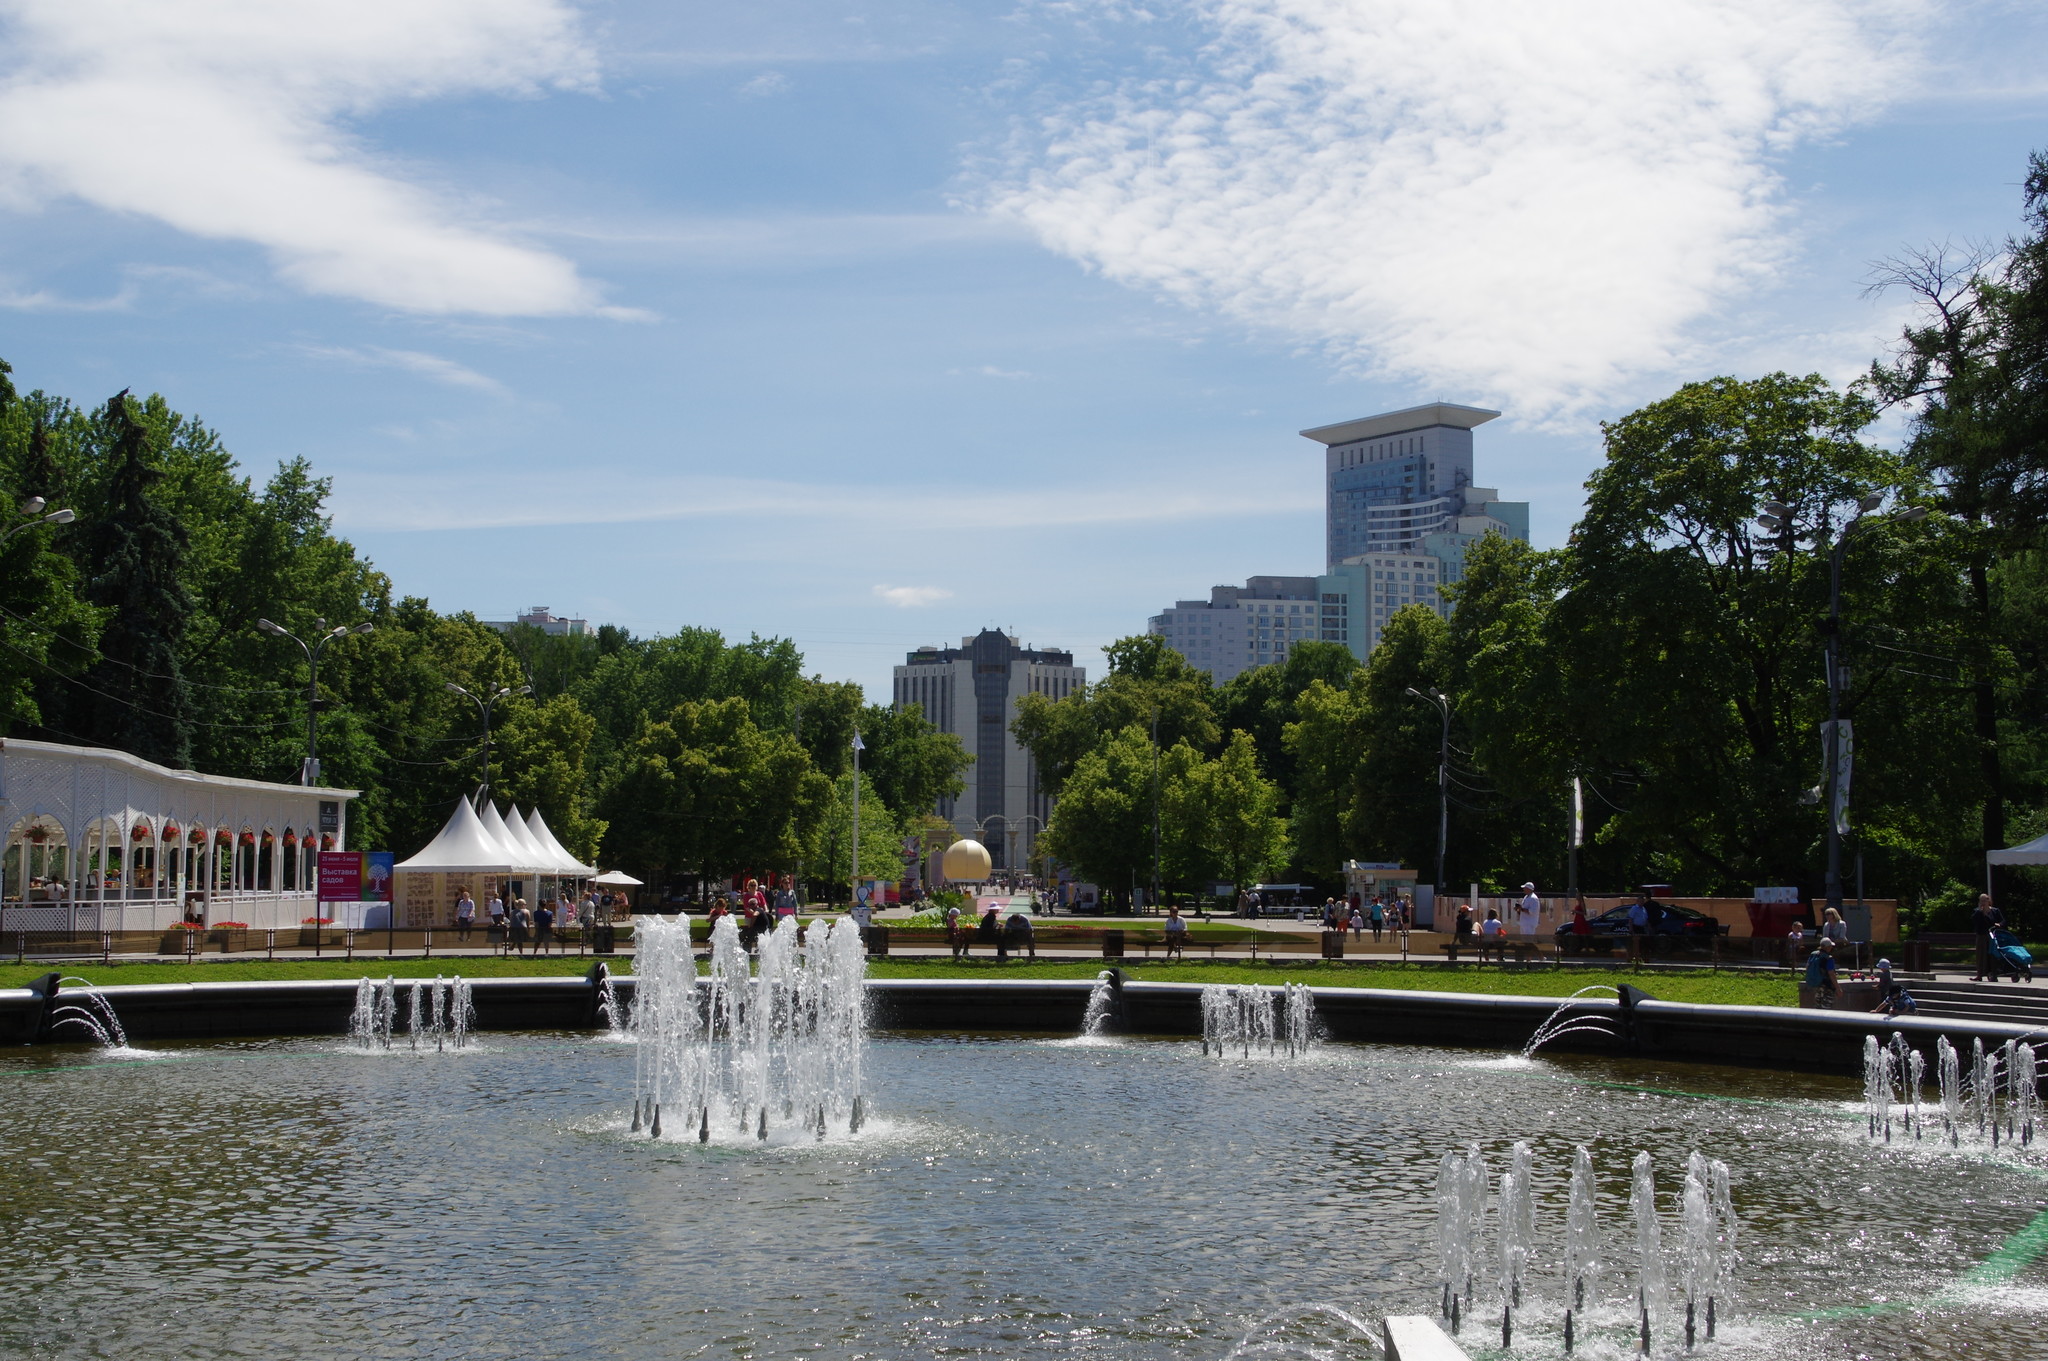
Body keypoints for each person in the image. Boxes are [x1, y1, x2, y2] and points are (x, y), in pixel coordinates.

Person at [1971, 892, 2005, 982]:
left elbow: (2002, 921)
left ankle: (1993, 974)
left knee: (1992, 955)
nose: (1983, 902)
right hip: (1981, 935)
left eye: (1984, 900)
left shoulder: (1995, 911)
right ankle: (1979, 975)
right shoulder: (1977, 911)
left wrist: (1999, 924)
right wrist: (1980, 911)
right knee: (1980, 956)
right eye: (1981, 901)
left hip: (1992, 936)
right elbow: (1974, 921)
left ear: (1988, 900)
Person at [1804, 936, 1839, 1006]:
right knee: (1827, 1006)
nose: (1831, 948)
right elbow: (1831, 973)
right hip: (1827, 985)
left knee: (1818, 1005)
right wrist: (1838, 988)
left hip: (1816, 984)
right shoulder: (1828, 958)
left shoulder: (1813, 954)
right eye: (1830, 946)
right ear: (1827, 947)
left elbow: (1807, 967)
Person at [1626, 891, 1651, 961]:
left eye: (1643, 901)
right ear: (1637, 901)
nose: (1642, 902)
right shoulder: (1634, 908)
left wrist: (1648, 927)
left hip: (1641, 928)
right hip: (1635, 927)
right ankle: (1631, 958)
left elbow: (1646, 919)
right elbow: (1630, 918)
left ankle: (1643, 957)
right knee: (1633, 943)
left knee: (1643, 943)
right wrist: (1631, 929)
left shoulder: (1644, 909)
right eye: (1641, 901)